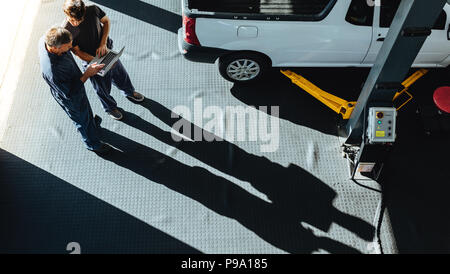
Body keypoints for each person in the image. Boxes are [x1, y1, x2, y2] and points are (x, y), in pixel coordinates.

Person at [62, 0, 144, 121]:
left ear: (85, 12)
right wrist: (100, 61)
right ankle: (110, 107)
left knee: (121, 74)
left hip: (106, 50)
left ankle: (129, 92)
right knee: (102, 88)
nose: (75, 23)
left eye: (78, 20)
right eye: (72, 20)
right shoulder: (66, 31)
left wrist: (103, 43)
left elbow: (106, 22)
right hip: (92, 61)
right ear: (66, 14)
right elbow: (78, 52)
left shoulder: (93, 10)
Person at [39, 26, 111, 154]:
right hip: (70, 95)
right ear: (55, 48)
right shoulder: (53, 71)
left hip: (74, 82)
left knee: (86, 111)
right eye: (68, 47)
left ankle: (92, 124)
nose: (70, 48)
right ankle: (93, 144)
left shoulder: (45, 40)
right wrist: (87, 74)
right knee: (81, 120)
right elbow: (70, 93)